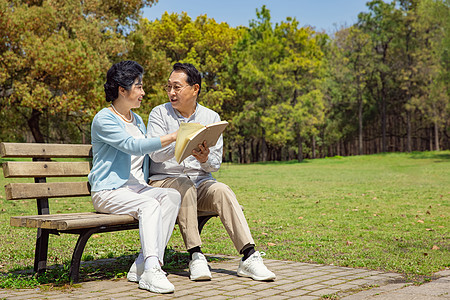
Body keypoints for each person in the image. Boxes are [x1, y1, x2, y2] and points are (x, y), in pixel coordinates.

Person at [147, 62, 276, 282]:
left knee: (222, 190)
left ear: (194, 89)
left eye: (176, 87)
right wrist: (180, 142)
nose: (171, 92)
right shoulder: (159, 114)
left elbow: (215, 165)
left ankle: (249, 256)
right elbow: (154, 155)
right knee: (184, 187)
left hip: (200, 182)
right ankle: (196, 256)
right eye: (168, 87)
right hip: (164, 182)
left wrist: (204, 158)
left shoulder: (211, 117)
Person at [88, 60, 181, 294]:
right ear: (122, 89)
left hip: (136, 189)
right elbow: (132, 145)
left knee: (171, 196)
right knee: (150, 205)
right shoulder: (104, 119)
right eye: (139, 86)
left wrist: (184, 144)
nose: (143, 92)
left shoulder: (137, 120)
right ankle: (151, 270)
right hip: (108, 192)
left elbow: (151, 151)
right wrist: (171, 136)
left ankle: (143, 263)